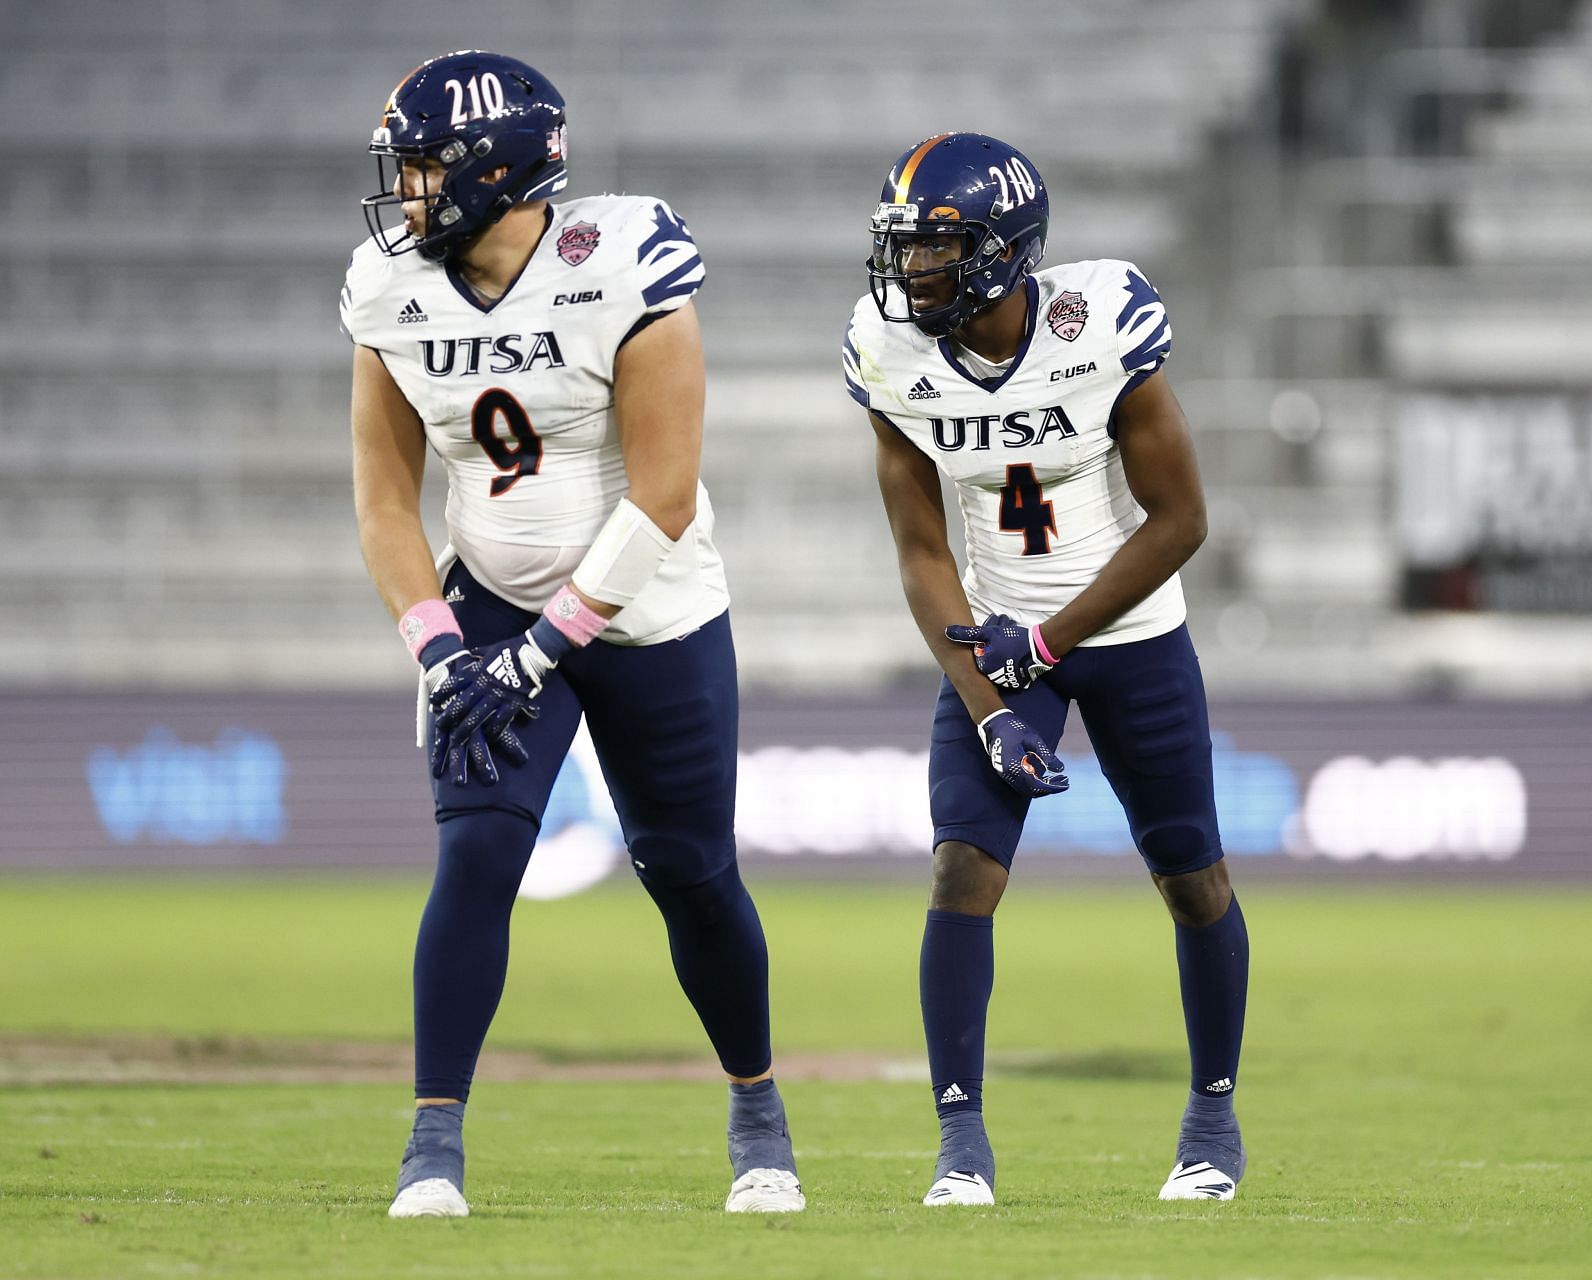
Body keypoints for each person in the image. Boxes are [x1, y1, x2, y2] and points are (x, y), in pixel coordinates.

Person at [341, 50, 801, 1219]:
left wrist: (541, 654)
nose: (406, 196)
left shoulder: (622, 263)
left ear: (497, 171)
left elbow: (664, 494)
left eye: (426, 170)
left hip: (648, 605)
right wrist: (442, 649)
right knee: (480, 853)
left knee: (690, 873)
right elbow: (386, 501)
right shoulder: (388, 289)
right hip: (490, 597)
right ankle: (432, 1141)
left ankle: (758, 1109)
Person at [843, 132, 1251, 1206]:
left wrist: (1053, 639)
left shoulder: (1101, 325)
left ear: (1004, 252)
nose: (913, 271)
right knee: (960, 868)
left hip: (1126, 628)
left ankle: (1212, 1115)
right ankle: (960, 1140)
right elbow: (924, 555)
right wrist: (989, 703)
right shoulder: (896, 356)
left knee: (1191, 875)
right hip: (1000, 639)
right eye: (906, 248)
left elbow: (1182, 520)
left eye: (936, 249)